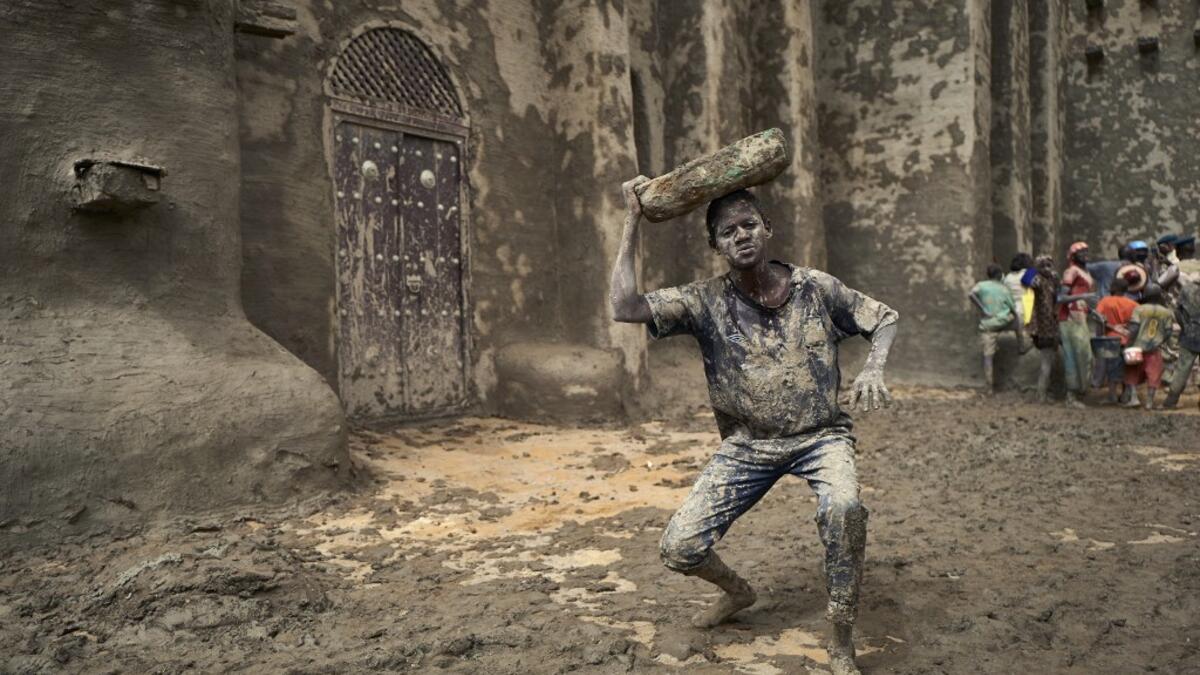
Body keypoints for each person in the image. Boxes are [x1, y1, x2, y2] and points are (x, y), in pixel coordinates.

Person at [610, 178, 898, 675]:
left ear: (768, 229)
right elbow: (624, 307)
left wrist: (873, 367)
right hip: (749, 446)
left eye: (748, 225)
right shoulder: (704, 301)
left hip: (820, 436)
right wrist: (633, 218)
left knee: (846, 508)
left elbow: (884, 318)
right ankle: (738, 592)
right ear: (716, 245)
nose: (740, 236)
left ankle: (841, 638)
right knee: (678, 548)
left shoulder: (817, 288)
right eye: (727, 232)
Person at [969, 264, 1020, 393]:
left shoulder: (981, 285)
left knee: (988, 356)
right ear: (999, 275)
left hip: (988, 324)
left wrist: (983, 308)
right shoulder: (1004, 288)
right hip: (1003, 321)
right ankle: (1022, 344)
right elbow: (1013, 309)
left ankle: (989, 387)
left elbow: (971, 294)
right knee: (1018, 321)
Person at [1058, 243, 1097, 407]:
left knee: (1085, 356)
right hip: (1069, 318)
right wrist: (1085, 296)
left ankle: (1079, 392)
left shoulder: (1085, 272)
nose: (1085, 254)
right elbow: (1061, 298)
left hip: (1081, 317)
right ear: (1073, 256)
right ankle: (1071, 396)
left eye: (1087, 251)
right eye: (1081, 252)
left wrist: (1093, 311)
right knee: (1073, 356)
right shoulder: (1071, 272)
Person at [1163, 236, 1200, 409]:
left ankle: (1171, 400)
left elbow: (1159, 285)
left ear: (1178, 251)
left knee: (1182, 364)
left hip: (1186, 325)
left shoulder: (1175, 269)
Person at [1124, 286, 1174, 409]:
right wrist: (1161, 340)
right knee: (1154, 375)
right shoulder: (1166, 312)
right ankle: (1149, 402)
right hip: (1154, 348)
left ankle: (1134, 398)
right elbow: (1168, 332)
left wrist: (1129, 344)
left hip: (1138, 347)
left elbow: (1134, 329)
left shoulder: (1139, 309)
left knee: (1132, 372)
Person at [1095, 277, 1138, 404]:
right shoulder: (1133, 304)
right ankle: (1126, 395)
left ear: (1113, 288)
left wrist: (1101, 333)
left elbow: (1099, 318)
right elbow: (1137, 321)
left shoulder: (1105, 301)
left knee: (1112, 368)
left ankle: (1112, 396)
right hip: (1128, 339)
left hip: (1111, 340)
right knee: (1128, 368)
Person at [1028, 255, 1060, 402]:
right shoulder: (1038, 280)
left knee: (1049, 361)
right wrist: (1033, 268)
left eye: (1049, 265)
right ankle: (1041, 395)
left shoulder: (1051, 281)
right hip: (1043, 328)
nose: (1047, 269)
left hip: (1052, 325)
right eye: (1043, 266)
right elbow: (1027, 280)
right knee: (1046, 362)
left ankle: (1044, 393)